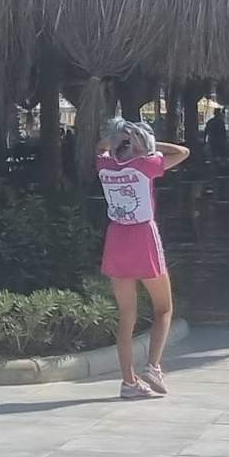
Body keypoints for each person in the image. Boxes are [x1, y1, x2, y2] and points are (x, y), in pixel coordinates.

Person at [96, 118, 186, 399]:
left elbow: (99, 147)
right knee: (164, 308)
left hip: (116, 238)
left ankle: (128, 382)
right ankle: (153, 367)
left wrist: (119, 138)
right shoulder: (146, 164)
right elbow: (182, 152)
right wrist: (147, 143)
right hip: (144, 236)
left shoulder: (105, 165)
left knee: (126, 316)